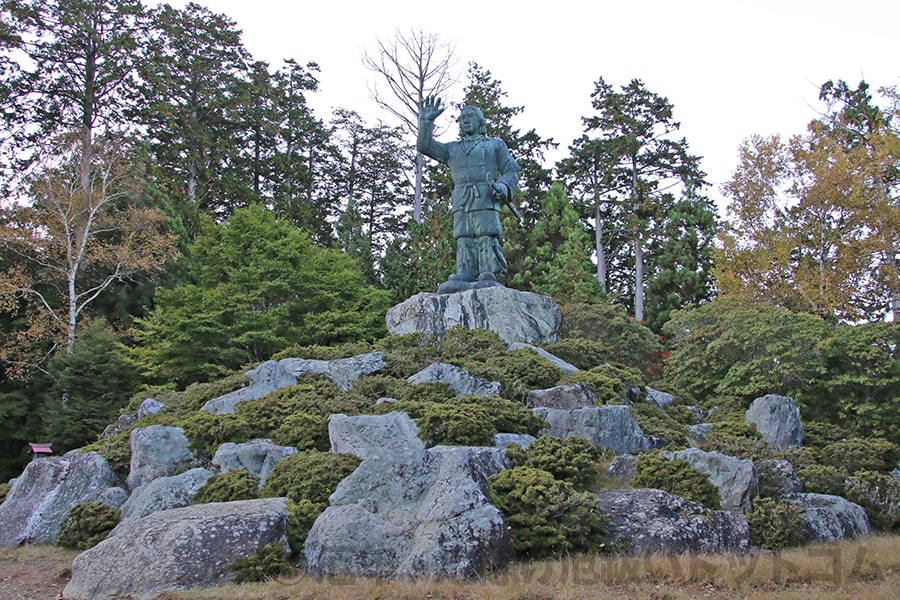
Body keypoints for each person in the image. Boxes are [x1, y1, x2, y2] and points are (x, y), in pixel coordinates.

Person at [417, 95, 520, 294]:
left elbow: (511, 170)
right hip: (462, 196)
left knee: (485, 233)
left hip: (485, 194)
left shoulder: (494, 145)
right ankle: (465, 271)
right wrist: (426, 122)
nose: (464, 121)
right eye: (462, 118)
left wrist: (504, 186)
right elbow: (425, 146)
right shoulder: (452, 148)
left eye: (469, 117)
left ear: (480, 123)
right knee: (463, 235)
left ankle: (487, 271)